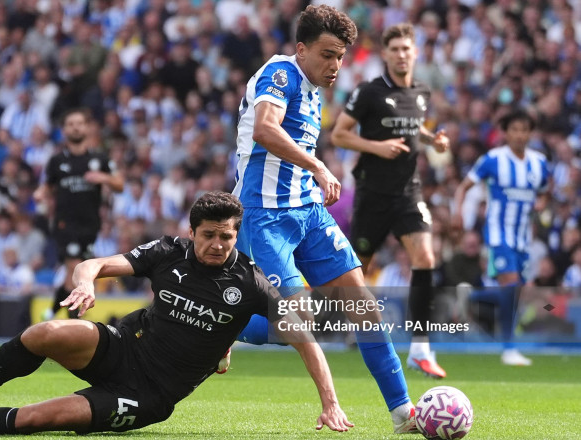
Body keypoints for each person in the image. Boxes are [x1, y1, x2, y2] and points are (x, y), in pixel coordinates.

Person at [0, 191, 353, 435]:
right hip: (122, 347)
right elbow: (93, 263)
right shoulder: (170, 252)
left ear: (234, 233)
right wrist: (84, 286)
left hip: (150, 394)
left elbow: (305, 338)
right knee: (46, 331)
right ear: (194, 231)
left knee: (39, 418)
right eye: (209, 235)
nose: (218, 244)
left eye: (227, 235)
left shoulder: (250, 281)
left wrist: (330, 403)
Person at [232, 5, 417, 433]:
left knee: (364, 306)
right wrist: (319, 166)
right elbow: (264, 129)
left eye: (341, 56)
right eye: (327, 54)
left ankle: (403, 411)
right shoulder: (280, 74)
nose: (335, 65)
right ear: (301, 49)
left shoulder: (314, 87)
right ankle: (233, 322)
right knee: (299, 320)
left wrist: (313, 175)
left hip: (309, 212)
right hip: (265, 216)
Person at [329, 23, 450, 378]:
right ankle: (341, 327)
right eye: (394, 48)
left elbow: (413, 129)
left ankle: (421, 349)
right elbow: (339, 134)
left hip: (408, 193)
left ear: (415, 52)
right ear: (385, 54)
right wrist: (376, 147)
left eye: (406, 48)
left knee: (425, 257)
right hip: (372, 195)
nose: (401, 54)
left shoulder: (422, 93)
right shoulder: (369, 92)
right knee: (356, 271)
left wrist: (432, 141)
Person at [453, 108, 549, 366]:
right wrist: (459, 213)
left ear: (530, 133)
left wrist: (541, 204)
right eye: (514, 129)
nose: (519, 134)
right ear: (506, 133)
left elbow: (544, 192)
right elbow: (464, 186)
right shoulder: (492, 159)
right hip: (498, 233)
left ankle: (471, 298)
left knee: (516, 292)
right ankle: (509, 348)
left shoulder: (539, 163)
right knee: (512, 286)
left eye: (524, 129)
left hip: (522, 237)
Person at [34, 108, 124, 317]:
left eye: (79, 123)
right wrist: (41, 193)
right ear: (65, 130)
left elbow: (119, 184)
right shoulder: (57, 161)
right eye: (70, 124)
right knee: (76, 271)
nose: (75, 127)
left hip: (91, 225)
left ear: (87, 127)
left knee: (73, 275)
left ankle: (51, 312)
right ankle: (75, 325)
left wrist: (103, 178)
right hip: (65, 224)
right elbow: (48, 186)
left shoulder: (99, 159)